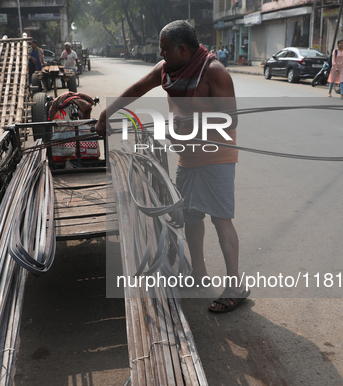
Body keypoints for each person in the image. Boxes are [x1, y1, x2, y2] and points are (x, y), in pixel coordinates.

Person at [96, 20, 249, 313]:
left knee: (220, 218)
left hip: (216, 157)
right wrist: (107, 113)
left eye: (165, 49)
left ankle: (236, 285)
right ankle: (199, 274)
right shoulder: (167, 69)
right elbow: (136, 89)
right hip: (187, 157)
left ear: (182, 49)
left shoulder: (214, 73)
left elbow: (231, 120)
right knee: (191, 217)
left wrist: (186, 125)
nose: (160, 53)